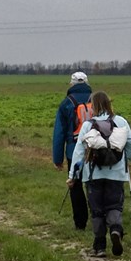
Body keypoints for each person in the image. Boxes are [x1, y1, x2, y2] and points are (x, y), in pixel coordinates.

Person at [67, 91, 131, 258]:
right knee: (114, 205)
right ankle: (116, 230)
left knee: (97, 210)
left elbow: (79, 153)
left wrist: (73, 175)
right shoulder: (120, 121)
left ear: (93, 107)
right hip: (116, 174)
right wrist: (127, 160)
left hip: (93, 175)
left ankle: (99, 246)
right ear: (109, 103)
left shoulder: (88, 125)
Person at [50, 69, 95, 231]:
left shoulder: (66, 103)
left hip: (73, 152)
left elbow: (59, 133)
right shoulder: (96, 100)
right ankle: (98, 218)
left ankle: (80, 223)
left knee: (75, 186)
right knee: (93, 184)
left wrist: (57, 159)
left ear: (72, 83)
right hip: (96, 150)